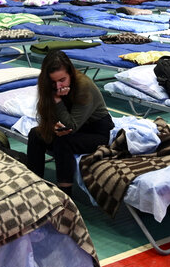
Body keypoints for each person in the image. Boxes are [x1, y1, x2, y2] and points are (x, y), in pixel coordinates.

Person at [27, 51, 114, 195]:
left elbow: (71, 126)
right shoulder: (49, 85)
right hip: (78, 128)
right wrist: (53, 125)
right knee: (36, 134)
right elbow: (47, 116)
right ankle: (34, 186)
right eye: (53, 82)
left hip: (97, 132)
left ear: (71, 74)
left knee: (63, 141)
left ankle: (66, 195)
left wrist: (57, 101)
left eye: (62, 80)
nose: (58, 85)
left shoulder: (83, 86)